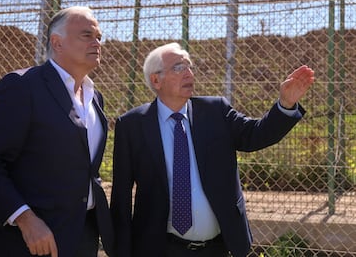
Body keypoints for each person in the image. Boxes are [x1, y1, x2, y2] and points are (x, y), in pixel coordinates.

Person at [110, 42, 315, 257]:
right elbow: (121, 196)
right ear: (156, 80)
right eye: (179, 68)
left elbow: (256, 135)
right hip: (159, 248)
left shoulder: (216, 111)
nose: (189, 73)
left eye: (189, 66)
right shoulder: (132, 125)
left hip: (217, 247)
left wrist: (285, 104)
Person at [0, 6, 113, 257]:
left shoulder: (95, 98)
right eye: (87, 35)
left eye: (99, 37)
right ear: (57, 43)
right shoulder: (22, 87)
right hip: (32, 241)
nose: (97, 43)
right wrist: (25, 219)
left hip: (83, 235)